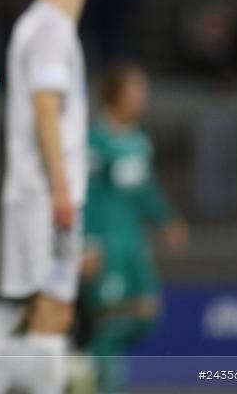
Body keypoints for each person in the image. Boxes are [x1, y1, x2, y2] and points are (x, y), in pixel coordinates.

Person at [0, 0, 92, 394]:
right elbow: (46, 112)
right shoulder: (50, 30)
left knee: (44, 310)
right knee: (50, 310)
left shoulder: (37, 24)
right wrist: (62, 191)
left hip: (42, 192)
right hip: (45, 193)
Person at [80, 62, 188, 393]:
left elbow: (145, 190)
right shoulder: (95, 141)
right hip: (107, 245)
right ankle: (100, 383)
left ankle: (86, 372)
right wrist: (87, 242)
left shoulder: (139, 141)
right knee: (110, 317)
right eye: (136, 89)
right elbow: (87, 195)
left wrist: (166, 219)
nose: (143, 97)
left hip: (134, 245)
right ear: (116, 95)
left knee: (147, 315)